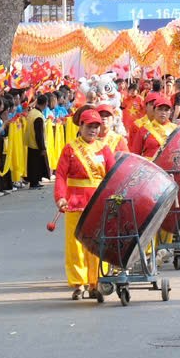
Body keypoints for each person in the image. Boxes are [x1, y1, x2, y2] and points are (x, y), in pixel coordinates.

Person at [54, 110, 114, 300]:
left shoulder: (104, 149)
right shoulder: (70, 149)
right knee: (76, 244)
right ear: (80, 126)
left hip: (97, 203)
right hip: (75, 202)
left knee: (97, 244)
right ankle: (79, 283)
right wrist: (60, 197)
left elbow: (112, 176)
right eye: (89, 126)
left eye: (96, 127)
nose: (93, 130)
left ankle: (96, 282)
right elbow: (61, 176)